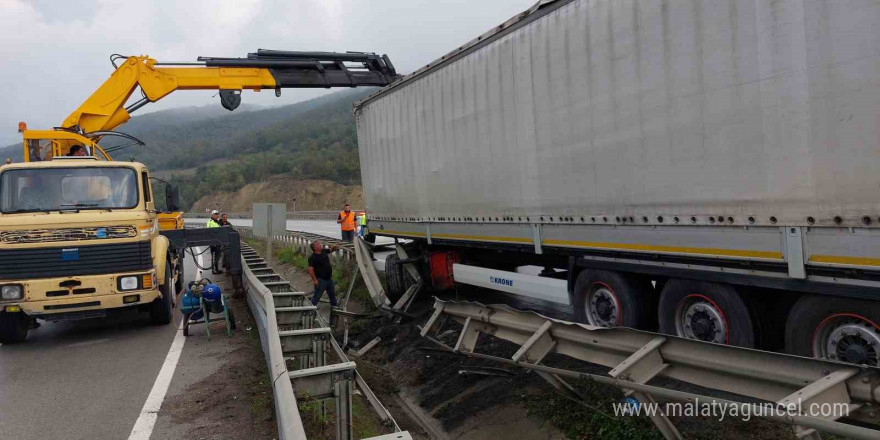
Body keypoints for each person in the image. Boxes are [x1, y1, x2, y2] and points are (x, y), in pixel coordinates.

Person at [308, 240, 340, 307]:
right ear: (315, 248)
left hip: (329, 279)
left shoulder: (323, 251)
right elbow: (310, 270)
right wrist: (315, 280)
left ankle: (334, 307)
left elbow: (331, 250)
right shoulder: (312, 257)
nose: (321, 244)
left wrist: (334, 247)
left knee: (332, 295)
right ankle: (310, 308)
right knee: (317, 296)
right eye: (318, 244)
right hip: (321, 281)